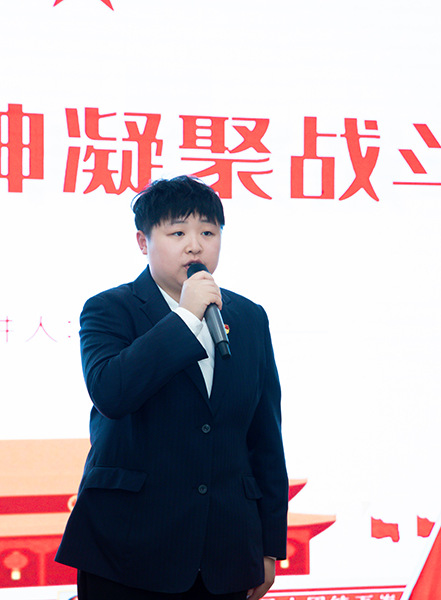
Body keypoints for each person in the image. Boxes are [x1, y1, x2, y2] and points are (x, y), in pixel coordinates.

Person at [55, 175, 288, 600]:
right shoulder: (110, 309)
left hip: (225, 555)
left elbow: (265, 437)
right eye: (178, 233)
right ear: (143, 243)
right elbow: (112, 393)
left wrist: (270, 545)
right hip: (128, 551)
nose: (195, 246)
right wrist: (185, 318)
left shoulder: (249, 317)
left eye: (208, 233)